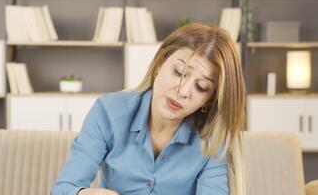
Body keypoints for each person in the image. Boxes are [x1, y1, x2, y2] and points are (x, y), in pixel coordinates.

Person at [51, 22, 246, 195]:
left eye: (201, 87)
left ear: (209, 99)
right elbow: (63, 188)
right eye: (179, 72)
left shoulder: (213, 139)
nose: (183, 92)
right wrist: (83, 193)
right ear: (161, 63)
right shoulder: (109, 112)